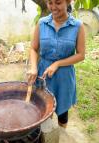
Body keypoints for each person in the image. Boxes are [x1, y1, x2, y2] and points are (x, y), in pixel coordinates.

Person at [28, 0, 85, 128]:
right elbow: (33, 48)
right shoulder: (42, 23)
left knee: (63, 111)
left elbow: (81, 55)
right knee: (43, 109)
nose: (53, 7)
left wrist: (58, 63)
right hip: (43, 73)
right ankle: (47, 134)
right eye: (50, 3)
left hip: (64, 76)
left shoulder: (77, 26)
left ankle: (62, 134)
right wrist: (33, 67)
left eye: (58, 3)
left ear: (68, 2)